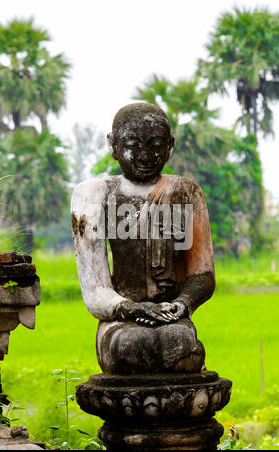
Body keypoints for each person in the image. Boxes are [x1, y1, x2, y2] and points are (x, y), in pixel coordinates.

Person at [71, 103, 215, 374]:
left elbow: (202, 275)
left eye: (155, 144)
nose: (145, 154)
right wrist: (131, 309)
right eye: (133, 144)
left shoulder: (185, 192)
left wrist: (181, 304)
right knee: (130, 345)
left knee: (181, 344)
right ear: (113, 146)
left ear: (169, 146)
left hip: (170, 316)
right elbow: (95, 289)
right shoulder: (95, 194)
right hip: (120, 318)